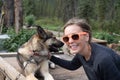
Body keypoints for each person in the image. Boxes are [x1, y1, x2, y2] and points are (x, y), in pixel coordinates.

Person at [49, 17, 120, 80]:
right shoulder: (82, 52)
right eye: (66, 38)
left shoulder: (103, 60)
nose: (70, 41)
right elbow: (72, 65)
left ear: (86, 36)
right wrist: (50, 57)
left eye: (75, 36)